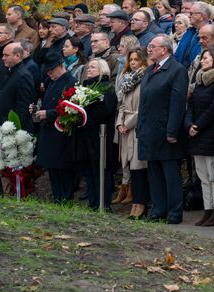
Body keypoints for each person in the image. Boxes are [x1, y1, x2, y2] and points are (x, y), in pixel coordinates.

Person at [137, 35, 189, 224]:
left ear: (164, 49)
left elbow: (177, 103)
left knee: (170, 173)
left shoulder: (176, 70)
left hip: (166, 131)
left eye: (153, 46)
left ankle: (174, 212)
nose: (149, 49)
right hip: (149, 130)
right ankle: (158, 210)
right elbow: (144, 102)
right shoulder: (150, 70)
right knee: (155, 173)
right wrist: (140, 128)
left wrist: (172, 131)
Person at [186, 48, 214, 227]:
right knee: (202, 176)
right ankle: (207, 210)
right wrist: (189, 124)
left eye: (206, 58)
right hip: (196, 134)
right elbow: (191, 105)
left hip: (209, 133)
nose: (202, 61)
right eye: (202, 58)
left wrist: (198, 125)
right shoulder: (200, 80)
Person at [73, 59, 117, 211]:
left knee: (101, 170)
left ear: (102, 70)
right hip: (85, 135)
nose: (89, 69)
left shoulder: (107, 88)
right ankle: (92, 202)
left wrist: (84, 118)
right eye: (88, 67)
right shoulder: (84, 87)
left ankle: (103, 204)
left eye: (93, 67)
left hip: (100, 136)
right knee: (88, 170)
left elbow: (105, 110)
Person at [34, 52, 78, 203]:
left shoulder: (71, 82)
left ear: (60, 66)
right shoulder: (52, 82)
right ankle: (57, 197)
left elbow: (70, 108)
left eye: (51, 70)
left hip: (62, 132)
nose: (49, 74)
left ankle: (65, 198)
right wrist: (38, 110)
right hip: (49, 130)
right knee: (52, 167)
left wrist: (48, 113)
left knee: (63, 168)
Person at [114, 47, 149, 218]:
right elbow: (122, 105)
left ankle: (141, 203)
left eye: (137, 60)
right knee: (130, 167)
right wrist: (120, 123)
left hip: (137, 129)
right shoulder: (128, 80)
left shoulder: (144, 79)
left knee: (139, 167)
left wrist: (127, 124)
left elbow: (142, 107)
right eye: (131, 60)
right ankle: (135, 202)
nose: (133, 63)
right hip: (126, 128)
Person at [0, 42, 35, 133]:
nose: (3, 58)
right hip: (3, 126)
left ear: (17, 56)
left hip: (13, 130)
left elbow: (23, 107)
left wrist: (16, 131)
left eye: (6, 55)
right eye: (3, 55)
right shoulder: (10, 72)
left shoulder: (23, 75)